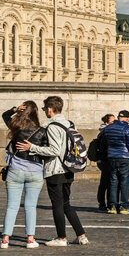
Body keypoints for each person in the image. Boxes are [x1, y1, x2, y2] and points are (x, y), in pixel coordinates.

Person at [19, 96, 88, 246]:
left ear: (50, 109)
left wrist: (32, 147)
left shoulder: (52, 126)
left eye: (44, 109)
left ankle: (61, 238)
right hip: (69, 168)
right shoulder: (69, 123)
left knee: (57, 204)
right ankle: (81, 235)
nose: (44, 111)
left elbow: (54, 150)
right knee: (66, 204)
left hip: (55, 169)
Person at [1, 101, 45, 249]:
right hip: (35, 171)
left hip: (15, 171)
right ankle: (30, 239)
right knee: (30, 207)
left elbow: (5, 115)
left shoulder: (16, 127)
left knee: (12, 207)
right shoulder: (42, 131)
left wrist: (15, 109)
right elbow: (47, 151)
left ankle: (5, 239)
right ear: (36, 113)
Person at [101, 109, 129, 214]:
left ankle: (112, 206)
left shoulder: (107, 129)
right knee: (125, 182)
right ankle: (123, 206)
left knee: (113, 181)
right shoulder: (128, 129)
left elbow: (104, 143)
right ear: (127, 119)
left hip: (111, 157)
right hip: (125, 158)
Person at [93, 113, 115, 213]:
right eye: (112, 122)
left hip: (106, 159)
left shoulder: (106, 132)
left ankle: (108, 203)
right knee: (105, 183)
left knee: (108, 182)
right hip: (105, 160)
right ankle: (103, 204)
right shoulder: (104, 133)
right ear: (106, 123)